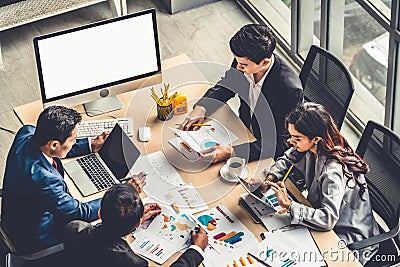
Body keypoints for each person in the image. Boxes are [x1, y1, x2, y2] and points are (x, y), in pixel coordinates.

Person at [1, 106, 146, 254]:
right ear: (54, 144)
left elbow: (54, 149)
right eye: (73, 140)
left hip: (13, 214)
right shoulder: (44, 180)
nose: (74, 142)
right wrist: (123, 195)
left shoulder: (27, 132)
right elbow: (80, 212)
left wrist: (90, 145)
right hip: (35, 237)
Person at [263, 102, 379, 265]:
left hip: (346, 235)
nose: (290, 142)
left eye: (297, 138)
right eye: (291, 136)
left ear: (316, 139)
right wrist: (271, 177)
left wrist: (289, 205)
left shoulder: (332, 172)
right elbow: (287, 159)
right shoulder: (310, 146)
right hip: (320, 216)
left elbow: (328, 219)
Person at [180, 23, 303, 162]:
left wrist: (231, 152)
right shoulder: (244, 60)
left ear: (264, 62)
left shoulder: (289, 90)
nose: (238, 67)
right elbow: (228, 84)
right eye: (237, 61)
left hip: (262, 148)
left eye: (243, 65)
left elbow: (282, 142)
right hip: (243, 128)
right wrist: (202, 107)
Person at [64, 183, 208, 267]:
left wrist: (128, 219)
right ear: (139, 223)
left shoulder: (74, 228)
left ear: (100, 213)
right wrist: (196, 250)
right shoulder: (133, 263)